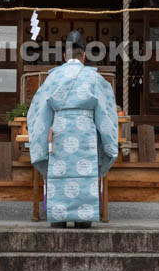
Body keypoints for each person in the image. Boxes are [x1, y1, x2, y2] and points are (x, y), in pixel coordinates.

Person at [27, 31, 119, 229]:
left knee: (59, 174)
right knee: (84, 175)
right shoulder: (94, 78)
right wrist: (109, 144)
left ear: (64, 56)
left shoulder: (52, 78)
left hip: (59, 134)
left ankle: (59, 217)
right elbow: (106, 114)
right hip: (86, 134)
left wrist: (40, 145)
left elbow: (38, 114)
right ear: (83, 56)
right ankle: (83, 218)